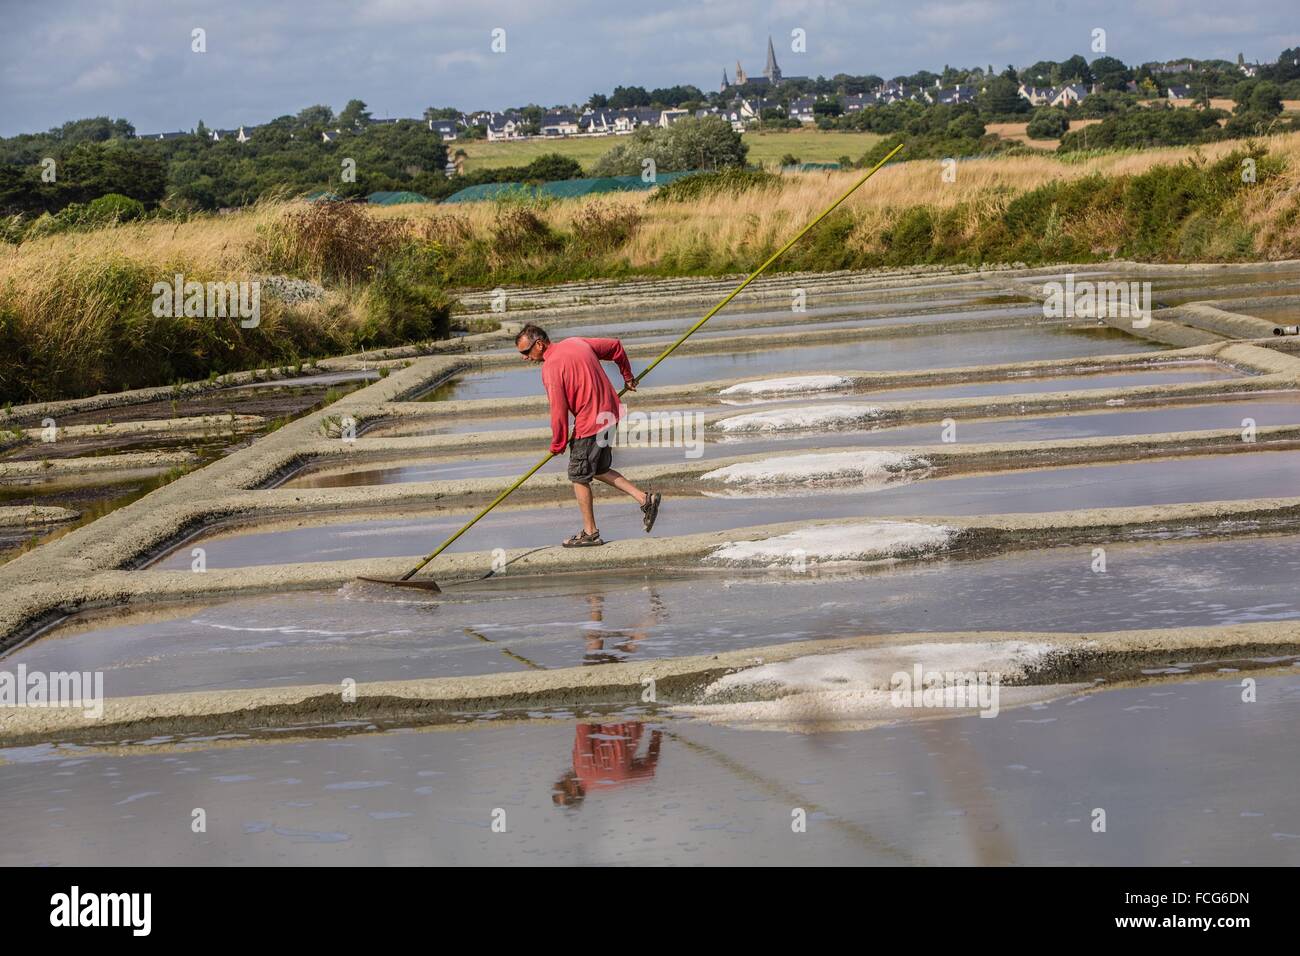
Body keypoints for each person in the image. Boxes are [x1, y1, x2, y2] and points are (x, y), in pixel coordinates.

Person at [516, 323, 661, 547]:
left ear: (539, 344)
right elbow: (615, 347)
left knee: (578, 475)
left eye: (526, 352)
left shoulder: (551, 367)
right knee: (599, 469)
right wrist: (627, 376)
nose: (525, 358)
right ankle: (645, 499)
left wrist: (558, 443)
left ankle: (590, 532)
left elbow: (558, 409)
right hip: (610, 413)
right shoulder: (576, 342)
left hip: (591, 422)